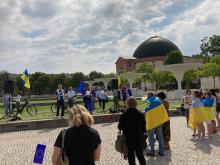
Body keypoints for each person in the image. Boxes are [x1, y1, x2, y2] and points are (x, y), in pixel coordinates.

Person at [118, 97, 146, 165]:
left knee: (130, 156)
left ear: (127, 104)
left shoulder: (124, 114)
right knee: (140, 155)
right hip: (138, 137)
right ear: (136, 103)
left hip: (128, 138)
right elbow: (144, 128)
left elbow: (120, 126)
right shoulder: (140, 114)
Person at [146, 92, 165, 156]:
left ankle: (152, 151)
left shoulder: (148, 101)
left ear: (149, 95)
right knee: (160, 137)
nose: (146, 96)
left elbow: (146, 112)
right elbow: (162, 111)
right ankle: (161, 151)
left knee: (151, 137)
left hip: (151, 122)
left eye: (147, 95)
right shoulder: (158, 101)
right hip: (159, 121)